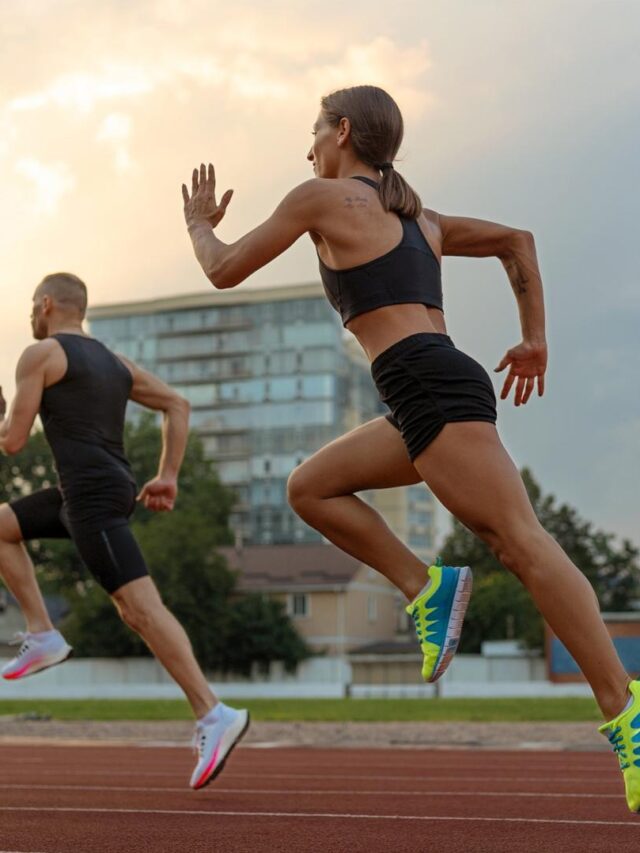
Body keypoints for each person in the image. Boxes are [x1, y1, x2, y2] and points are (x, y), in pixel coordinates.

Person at [182, 84, 640, 811]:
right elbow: (517, 241)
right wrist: (535, 337)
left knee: (522, 542)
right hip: (422, 388)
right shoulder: (418, 216)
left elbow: (222, 267)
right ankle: (427, 586)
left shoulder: (320, 197)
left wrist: (200, 224)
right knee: (310, 487)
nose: (308, 151)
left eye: (314, 134)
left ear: (341, 132)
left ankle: (625, 708)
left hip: (425, 384)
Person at [0, 273, 249, 790]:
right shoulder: (114, 363)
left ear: (46, 304)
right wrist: (169, 475)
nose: (31, 313)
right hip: (91, 492)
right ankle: (43, 632)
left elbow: (13, 442)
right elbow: (177, 404)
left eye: (32, 305)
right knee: (2, 527)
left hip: (91, 498)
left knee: (140, 609)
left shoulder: (40, 354)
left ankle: (212, 712)